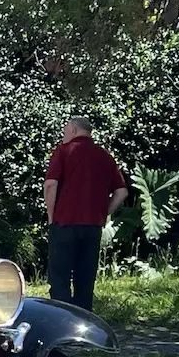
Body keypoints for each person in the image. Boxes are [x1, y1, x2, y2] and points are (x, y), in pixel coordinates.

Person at [43, 117, 129, 311]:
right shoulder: (104, 155)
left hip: (64, 223)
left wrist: (51, 216)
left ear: (73, 130)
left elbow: (50, 185)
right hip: (92, 226)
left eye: (65, 131)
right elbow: (122, 192)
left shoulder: (63, 151)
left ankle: (62, 319)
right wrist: (103, 213)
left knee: (60, 278)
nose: (63, 136)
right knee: (85, 279)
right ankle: (83, 321)